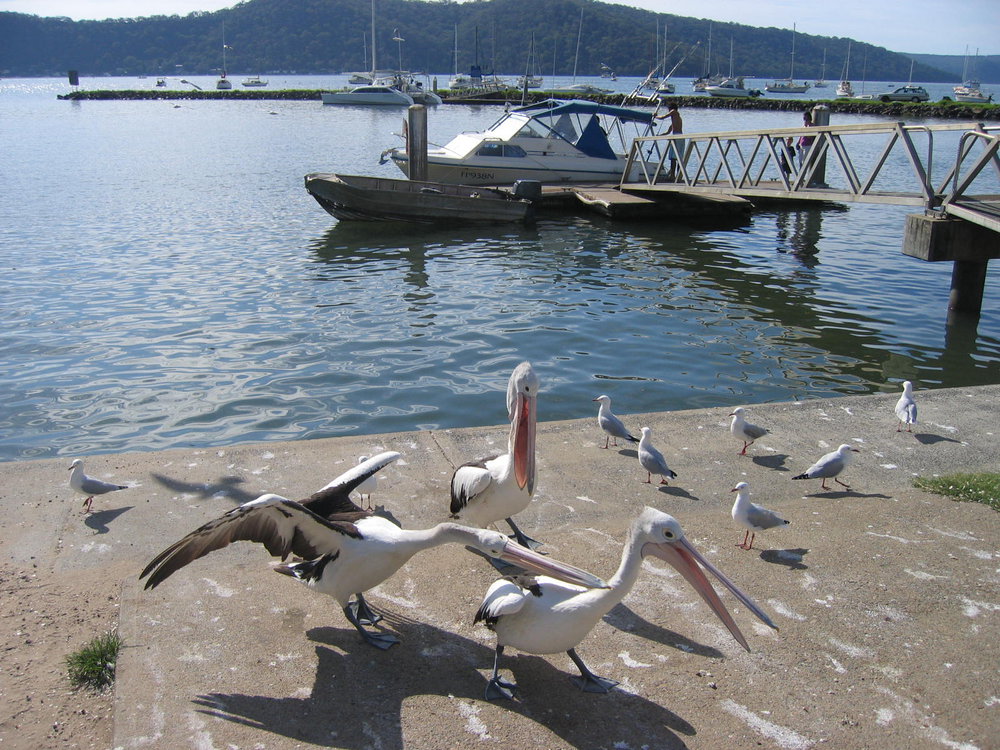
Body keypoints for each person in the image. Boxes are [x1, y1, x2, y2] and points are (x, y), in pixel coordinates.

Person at [655, 103, 684, 180]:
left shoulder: (674, 111)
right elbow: (668, 132)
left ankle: (673, 176)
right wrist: (659, 136)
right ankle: (677, 176)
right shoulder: (676, 120)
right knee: (678, 158)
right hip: (680, 137)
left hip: (677, 137)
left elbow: (663, 117)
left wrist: (655, 116)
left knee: (674, 158)